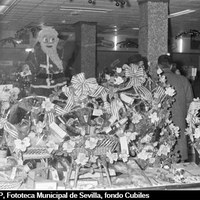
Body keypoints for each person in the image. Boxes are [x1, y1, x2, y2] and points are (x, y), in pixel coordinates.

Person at [158, 54, 194, 162]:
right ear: (171, 66)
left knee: (163, 156)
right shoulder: (183, 80)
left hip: (162, 123)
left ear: (158, 66)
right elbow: (190, 103)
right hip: (180, 121)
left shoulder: (157, 82)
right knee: (180, 155)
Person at [25, 26, 68, 96]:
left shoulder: (59, 50)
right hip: (40, 83)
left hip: (56, 82)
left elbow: (62, 65)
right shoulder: (36, 51)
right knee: (40, 102)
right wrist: (27, 68)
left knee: (56, 101)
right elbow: (31, 63)